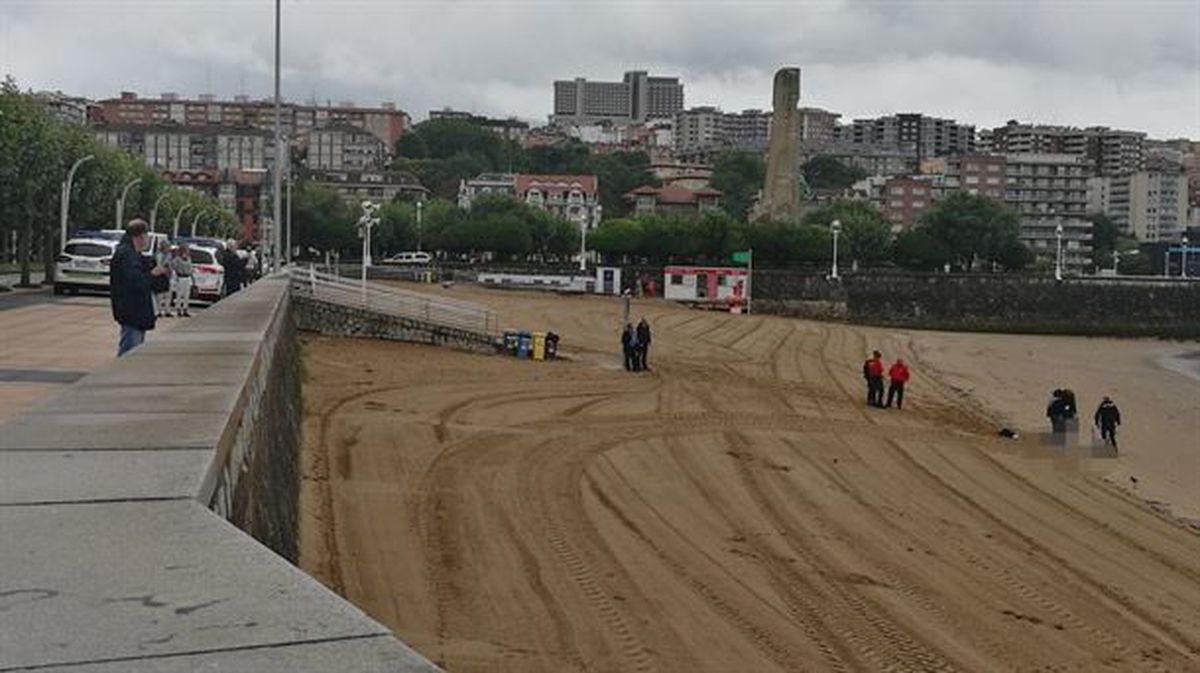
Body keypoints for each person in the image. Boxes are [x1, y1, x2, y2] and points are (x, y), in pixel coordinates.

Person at [110, 219, 168, 356]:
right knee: (129, 353)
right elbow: (136, 282)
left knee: (132, 350)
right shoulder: (127, 255)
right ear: (140, 236)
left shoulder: (133, 255)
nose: (148, 239)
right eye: (147, 235)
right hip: (132, 312)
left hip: (135, 313)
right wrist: (153, 273)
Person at [170, 243, 194, 317]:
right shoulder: (178, 258)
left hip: (187, 277)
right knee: (179, 294)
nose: (188, 251)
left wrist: (193, 278)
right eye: (186, 249)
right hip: (180, 277)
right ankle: (178, 309)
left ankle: (185, 309)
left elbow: (190, 268)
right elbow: (173, 266)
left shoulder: (189, 258)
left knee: (187, 294)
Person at [153, 239, 173, 318]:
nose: (169, 248)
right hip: (160, 276)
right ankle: (158, 311)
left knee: (168, 294)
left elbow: (170, 264)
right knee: (160, 295)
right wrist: (165, 266)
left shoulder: (169, 255)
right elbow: (160, 265)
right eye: (167, 247)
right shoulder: (159, 254)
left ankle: (167, 310)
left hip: (167, 276)